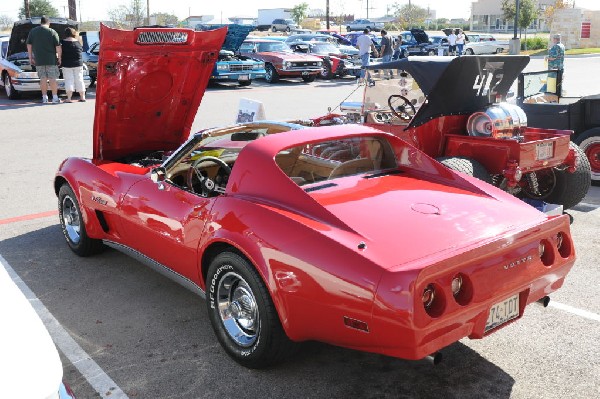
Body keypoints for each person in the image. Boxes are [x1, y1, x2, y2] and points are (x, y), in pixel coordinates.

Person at [26, 16, 62, 104]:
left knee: (43, 79)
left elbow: (29, 45)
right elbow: (58, 46)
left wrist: (30, 57)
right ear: (48, 23)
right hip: (51, 60)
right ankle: (55, 98)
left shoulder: (33, 31)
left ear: (40, 22)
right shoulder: (52, 32)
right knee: (52, 78)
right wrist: (59, 58)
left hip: (39, 60)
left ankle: (44, 98)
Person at [60, 27, 86, 102]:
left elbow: (60, 52)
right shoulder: (78, 42)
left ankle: (69, 98)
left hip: (67, 64)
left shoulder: (63, 42)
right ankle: (82, 97)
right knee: (80, 79)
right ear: (74, 33)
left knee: (69, 80)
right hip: (78, 63)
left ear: (65, 34)